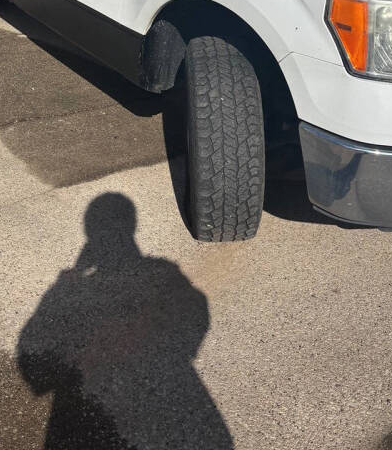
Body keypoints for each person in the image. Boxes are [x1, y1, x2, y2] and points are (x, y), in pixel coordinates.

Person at [18, 193, 233, 450]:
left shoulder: (72, 285)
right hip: (171, 385)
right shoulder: (161, 273)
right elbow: (196, 307)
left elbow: (34, 352)